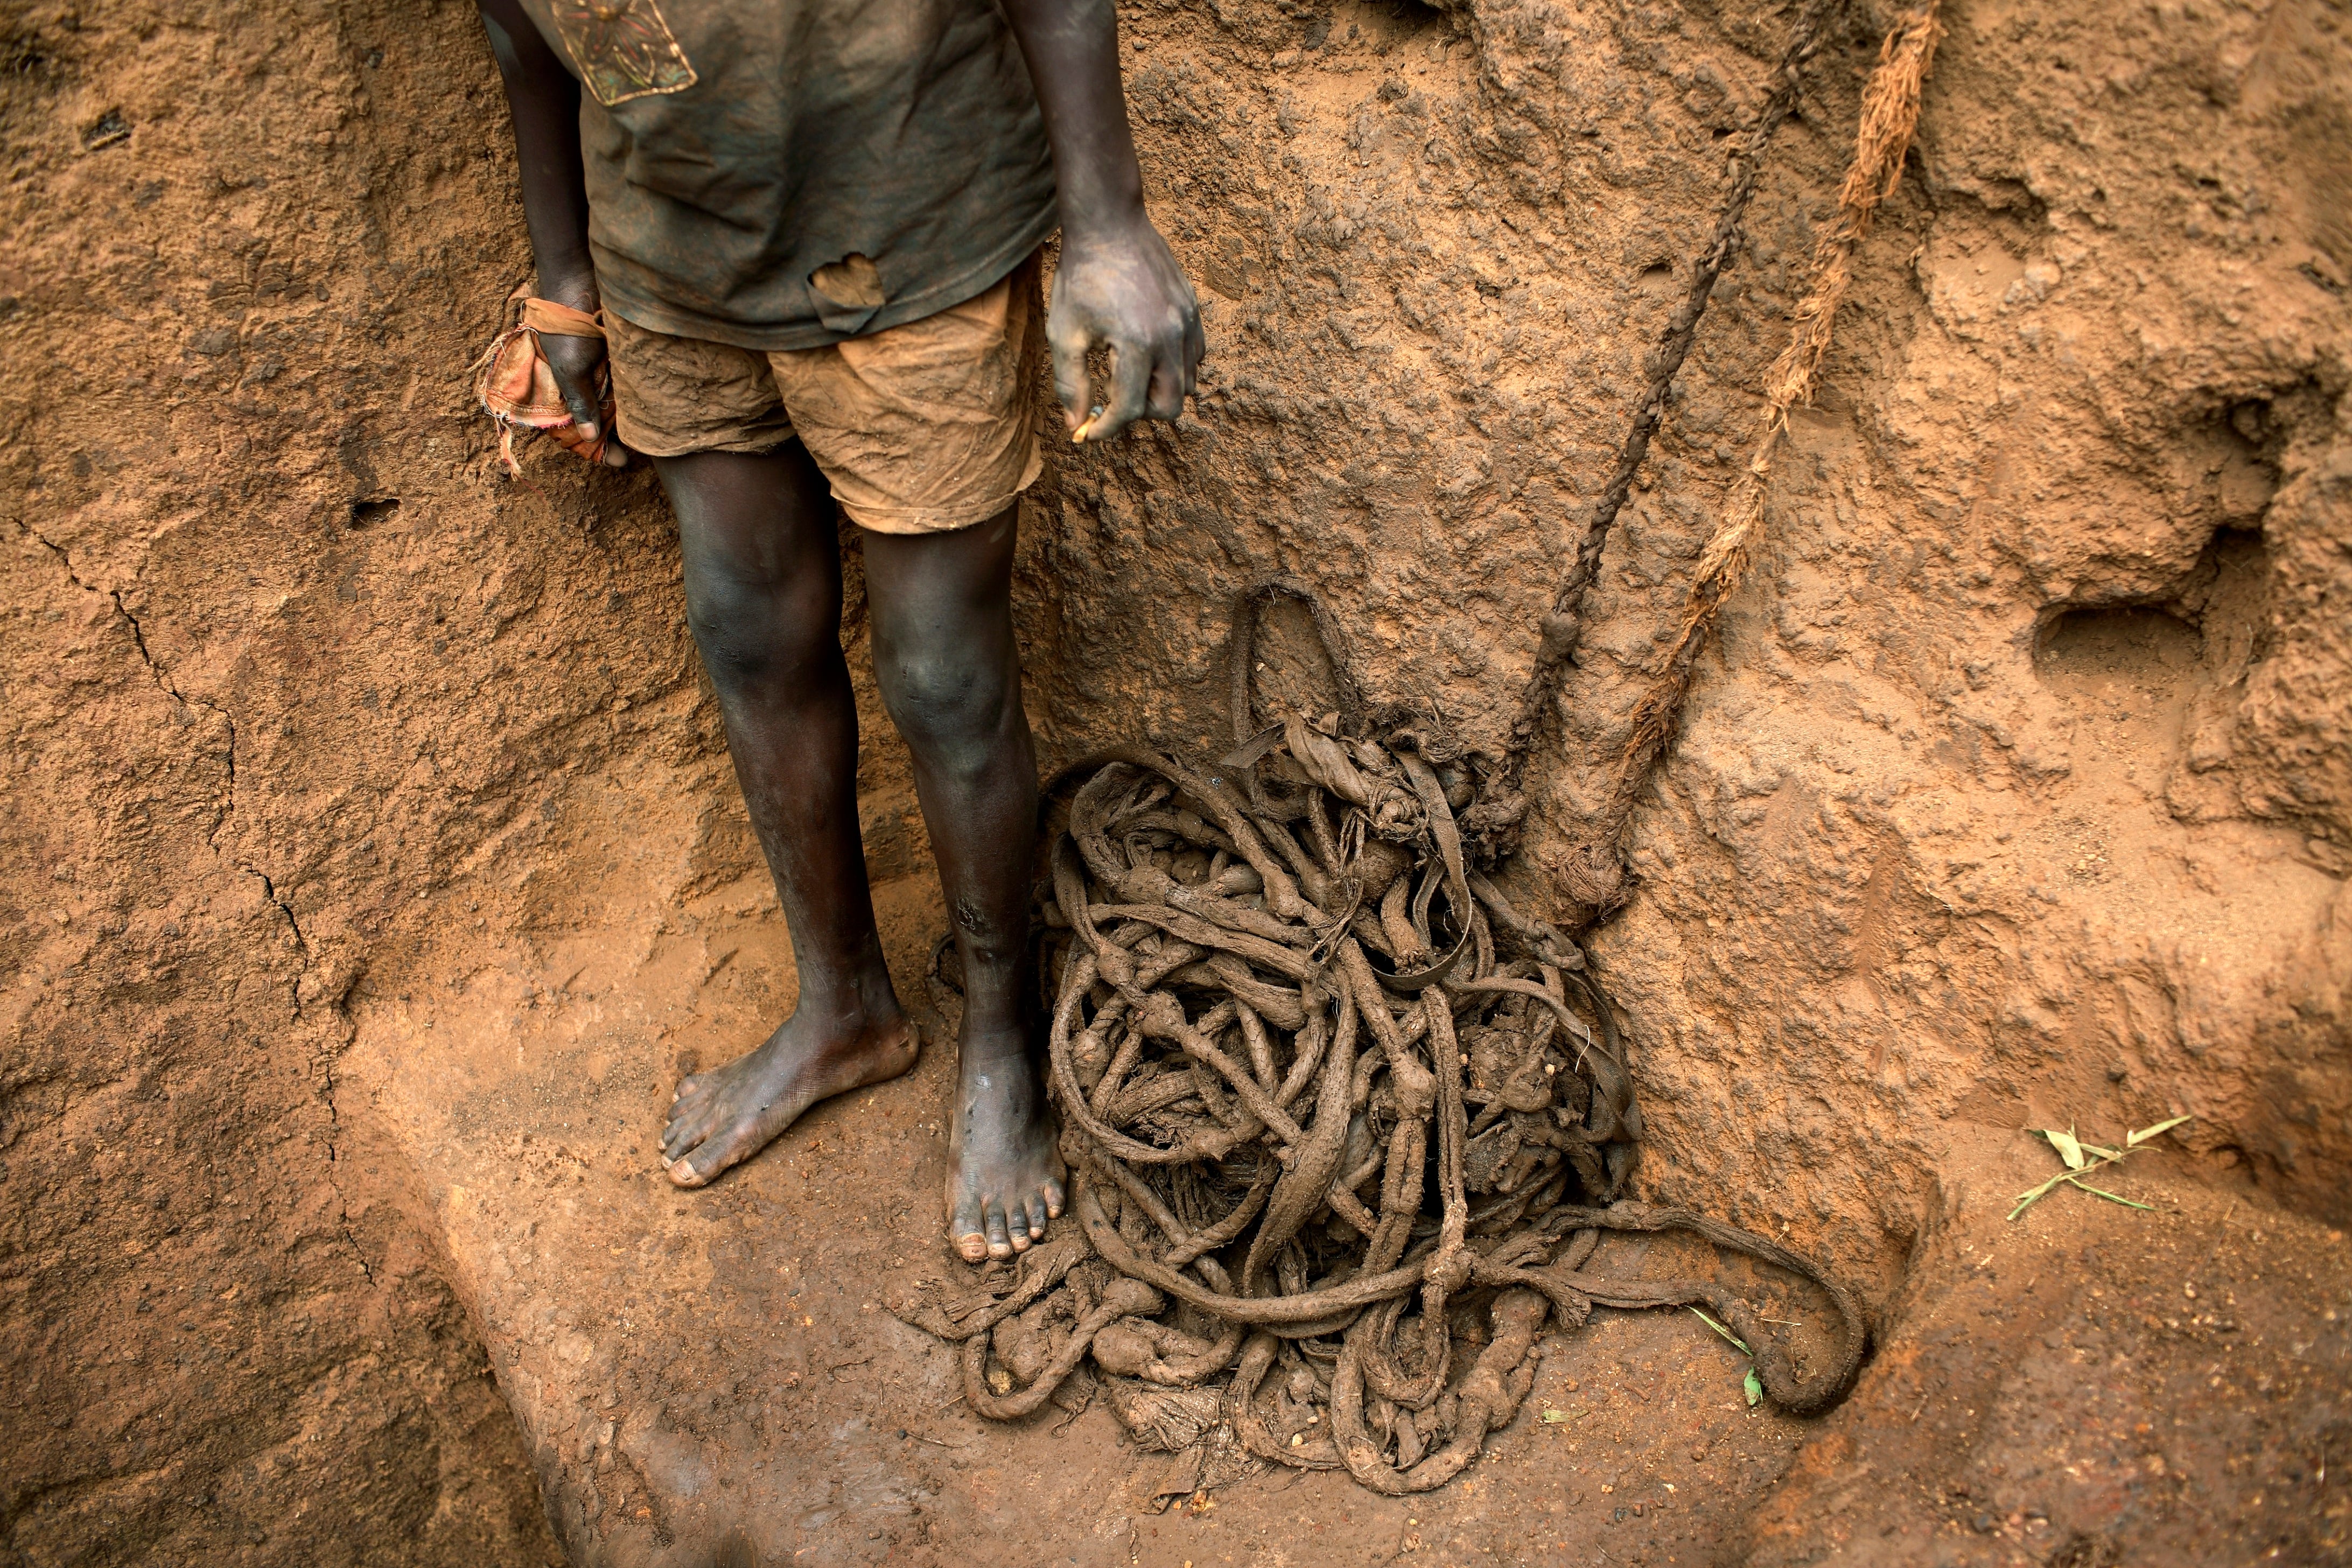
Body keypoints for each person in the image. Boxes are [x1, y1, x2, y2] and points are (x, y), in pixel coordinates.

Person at [474, 0, 1203, 1262]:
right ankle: (845, 1003)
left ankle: (999, 1031)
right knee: (748, 632)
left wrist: (1109, 225)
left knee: (943, 676)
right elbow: (517, 24)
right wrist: (566, 278)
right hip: (672, 257)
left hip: (910, 232)